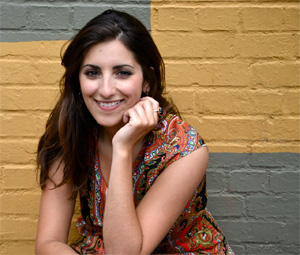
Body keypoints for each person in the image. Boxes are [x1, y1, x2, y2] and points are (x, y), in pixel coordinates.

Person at [35, 9, 234, 255]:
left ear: (147, 81)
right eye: (93, 72)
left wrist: (122, 148)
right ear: (78, 80)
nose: (106, 90)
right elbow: (48, 242)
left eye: (123, 72)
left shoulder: (184, 149)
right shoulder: (70, 134)